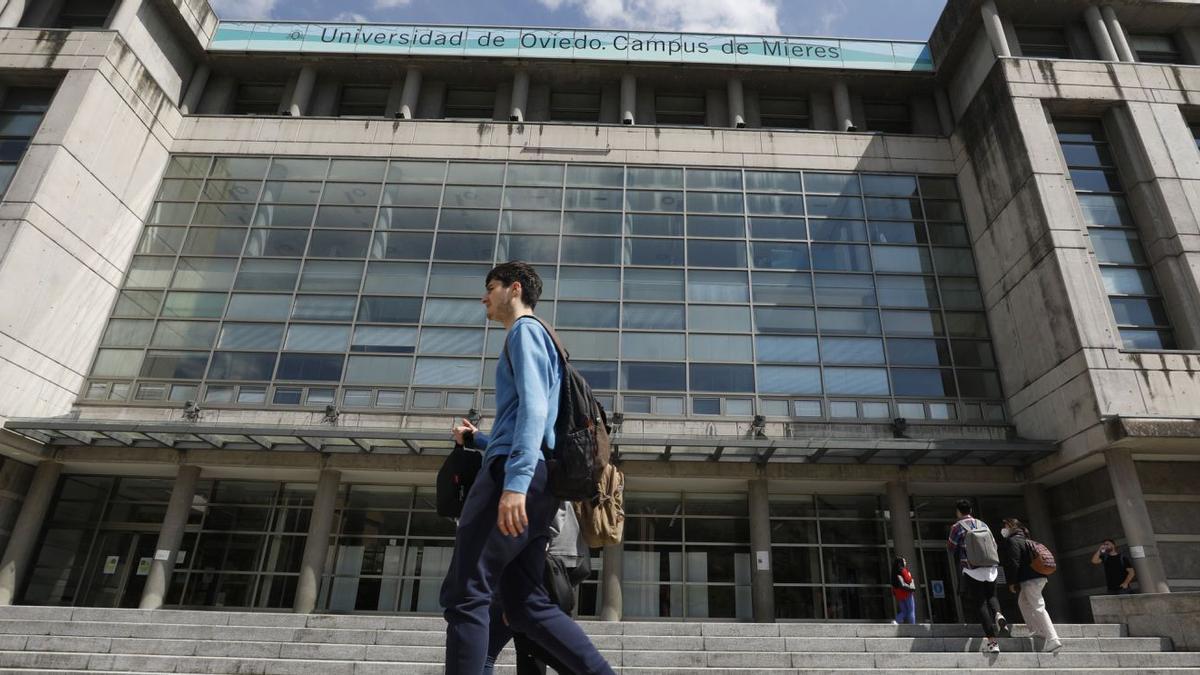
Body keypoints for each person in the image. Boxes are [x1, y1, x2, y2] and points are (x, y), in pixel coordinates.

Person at [441, 261, 613, 675]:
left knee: (466, 592)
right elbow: (531, 419)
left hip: (515, 478)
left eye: (490, 287)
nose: (484, 297)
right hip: (537, 479)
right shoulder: (542, 339)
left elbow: (535, 409)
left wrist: (514, 484)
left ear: (513, 289)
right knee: (524, 604)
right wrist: (478, 440)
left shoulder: (524, 331)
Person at [484, 503, 591, 675]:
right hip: (555, 554)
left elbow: (554, 513)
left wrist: (539, 543)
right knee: (528, 643)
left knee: (500, 646)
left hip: (542, 556)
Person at [948, 499, 1008, 654]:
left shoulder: (957, 527)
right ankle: (998, 614)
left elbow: (951, 547)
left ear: (958, 511)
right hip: (991, 568)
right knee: (992, 597)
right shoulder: (983, 524)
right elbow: (993, 544)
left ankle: (992, 642)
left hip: (971, 569)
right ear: (971, 510)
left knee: (980, 603)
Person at [999, 518, 1062, 653]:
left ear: (1011, 527)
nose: (1003, 528)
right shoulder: (1028, 540)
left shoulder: (1013, 541)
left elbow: (1014, 563)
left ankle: (1053, 638)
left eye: (1005, 525)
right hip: (1039, 577)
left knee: (1038, 607)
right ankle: (1037, 630)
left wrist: (1012, 582)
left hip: (1030, 579)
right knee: (1023, 602)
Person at [891, 556, 917, 625]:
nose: (905, 562)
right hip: (907, 592)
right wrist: (909, 575)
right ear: (901, 562)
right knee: (911, 610)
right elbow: (908, 580)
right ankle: (913, 625)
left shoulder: (894, 572)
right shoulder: (903, 570)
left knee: (904, 611)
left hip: (899, 595)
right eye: (904, 561)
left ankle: (896, 620)